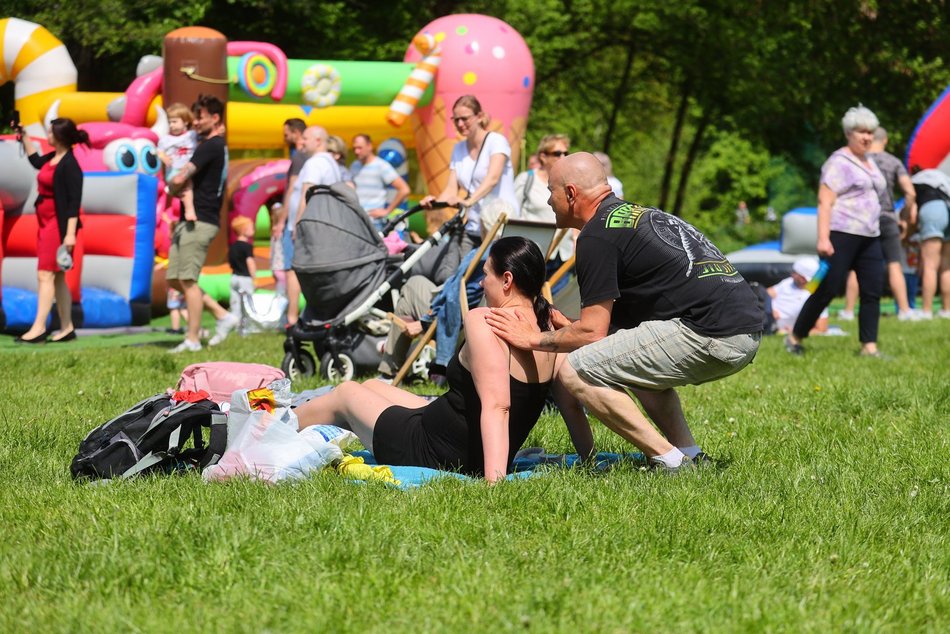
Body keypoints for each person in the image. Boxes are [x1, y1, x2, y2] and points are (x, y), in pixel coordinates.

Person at [486, 152, 763, 471]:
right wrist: (572, 327)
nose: (549, 200)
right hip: (744, 328)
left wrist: (534, 338)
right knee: (623, 358)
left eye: (551, 191)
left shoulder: (596, 236)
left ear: (572, 194)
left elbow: (592, 333)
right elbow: (599, 329)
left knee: (575, 371)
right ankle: (690, 454)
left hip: (715, 333)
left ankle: (671, 461)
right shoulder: (632, 215)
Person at [295, 237, 594, 482]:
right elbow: (570, 405)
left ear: (507, 280)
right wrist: (588, 457)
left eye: (486, 274)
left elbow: (497, 406)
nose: (481, 284)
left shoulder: (486, 321)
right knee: (373, 385)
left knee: (347, 393)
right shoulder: (550, 328)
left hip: (434, 450)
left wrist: (495, 483)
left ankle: (272, 427)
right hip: (447, 430)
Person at [786, 106, 887, 357]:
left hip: (870, 235)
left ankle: (869, 346)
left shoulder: (871, 163)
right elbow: (825, 201)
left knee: (872, 290)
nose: (866, 137)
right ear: (849, 133)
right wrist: (823, 237)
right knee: (828, 288)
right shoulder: (838, 162)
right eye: (861, 132)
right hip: (841, 233)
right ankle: (795, 336)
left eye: (870, 132)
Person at [166, 94, 236, 353]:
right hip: (189, 221)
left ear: (215, 118)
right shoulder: (213, 143)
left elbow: (181, 176)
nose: (194, 122)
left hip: (201, 220)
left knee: (187, 279)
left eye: (200, 117)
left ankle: (193, 339)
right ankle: (222, 314)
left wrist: (172, 184)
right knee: (175, 278)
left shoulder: (211, 146)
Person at [15, 117, 87, 343]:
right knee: (57, 277)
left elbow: (74, 202)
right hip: (45, 222)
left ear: (61, 137)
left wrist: (70, 234)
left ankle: (38, 328)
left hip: (59, 225)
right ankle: (67, 327)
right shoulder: (52, 158)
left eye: (50, 133)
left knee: (44, 274)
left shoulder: (70, 165)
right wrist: (24, 136)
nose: (47, 136)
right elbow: (35, 161)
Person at [839, 126, 919, 321]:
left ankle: (848, 311)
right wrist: (905, 218)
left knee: (856, 266)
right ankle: (904, 310)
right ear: (885, 140)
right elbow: (910, 193)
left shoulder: (860, 161)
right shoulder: (893, 162)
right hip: (888, 217)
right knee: (894, 264)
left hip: (863, 219)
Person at [420, 95, 518, 252]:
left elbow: (492, 178)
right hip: (473, 226)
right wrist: (434, 203)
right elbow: (451, 189)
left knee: (486, 274)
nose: (460, 124)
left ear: (479, 117)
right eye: (456, 119)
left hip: (499, 227)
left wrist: (469, 201)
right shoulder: (458, 149)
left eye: (465, 119)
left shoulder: (496, 141)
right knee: (461, 272)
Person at [285, 125, 345, 326]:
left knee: (294, 269)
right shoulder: (330, 163)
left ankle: (292, 318)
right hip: (322, 225)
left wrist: (297, 224)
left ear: (318, 141)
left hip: (307, 226)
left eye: (306, 138)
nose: (301, 141)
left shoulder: (315, 163)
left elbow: (306, 194)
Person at [513, 133, 575, 290]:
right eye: (557, 153)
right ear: (543, 156)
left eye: (566, 153)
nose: (563, 157)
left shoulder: (569, 182)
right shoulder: (526, 180)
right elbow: (513, 213)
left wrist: (576, 238)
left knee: (557, 306)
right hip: (534, 254)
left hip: (563, 253)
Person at [271, 119, 308, 300]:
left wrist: (281, 221)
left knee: (290, 267)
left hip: (293, 220)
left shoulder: (299, 156)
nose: (285, 138)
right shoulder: (309, 156)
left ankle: (292, 316)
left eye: (286, 134)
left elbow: (293, 190)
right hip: (301, 218)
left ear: (296, 133)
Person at [211, 216, 257, 345]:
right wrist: (255, 278)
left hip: (234, 278)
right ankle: (245, 330)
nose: (253, 229)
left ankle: (236, 327)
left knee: (235, 305)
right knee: (247, 305)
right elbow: (250, 263)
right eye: (251, 227)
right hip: (245, 279)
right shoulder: (247, 246)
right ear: (243, 229)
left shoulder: (233, 246)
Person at [351, 133, 411, 231]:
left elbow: (404, 189)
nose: (356, 151)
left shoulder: (381, 165)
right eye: (354, 148)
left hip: (374, 223)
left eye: (360, 148)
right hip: (356, 220)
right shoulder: (354, 166)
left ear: (369, 146)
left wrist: (387, 211)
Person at [911, 168, 950, 319]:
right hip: (948, 206)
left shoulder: (915, 181)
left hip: (933, 208)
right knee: (947, 266)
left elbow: (912, 212)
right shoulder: (940, 176)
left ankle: (926, 311)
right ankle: (947, 310)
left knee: (930, 265)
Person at [157, 102, 198, 224]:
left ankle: (174, 193)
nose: (171, 125)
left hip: (188, 169)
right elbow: (157, 150)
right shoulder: (166, 139)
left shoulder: (192, 135)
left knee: (186, 188)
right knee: (187, 187)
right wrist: (163, 156)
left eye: (175, 122)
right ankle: (189, 210)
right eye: (169, 122)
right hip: (174, 171)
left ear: (185, 122)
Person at [768, 257, 829, 334]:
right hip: (768, 317)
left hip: (783, 325)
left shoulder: (817, 296)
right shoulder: (787, 283)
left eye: (795, 273)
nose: (792, 274)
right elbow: (766, 295)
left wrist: (796, 331)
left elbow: (821, 329)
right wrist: (770, 310)